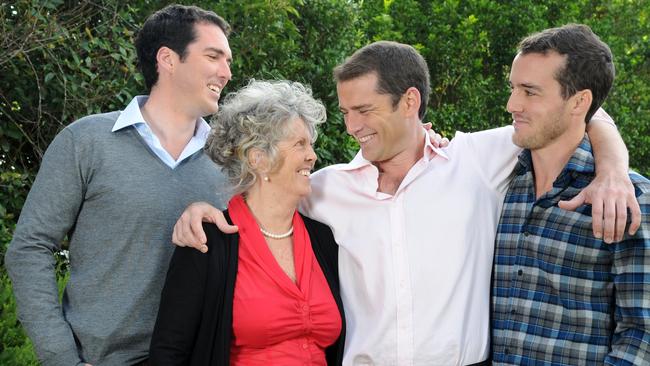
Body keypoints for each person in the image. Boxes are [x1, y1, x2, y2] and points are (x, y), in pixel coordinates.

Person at [172, 41, 639, 365]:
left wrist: (613, 169)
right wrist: (202, 210)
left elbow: (578, 112)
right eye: (345, 112)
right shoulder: (325, 189)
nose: (352, 125)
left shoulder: (476, 160)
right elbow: (260, 201)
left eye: (365, 110)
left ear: (410, 101)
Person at [4, 5, 232, 365]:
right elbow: (29, 248)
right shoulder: (86, 141)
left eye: (228, 61)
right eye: (214, 56)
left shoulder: (228, 162)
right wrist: (61, 357)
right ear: (168, 59)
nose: (226, 72)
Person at [149, 80, 345, 365]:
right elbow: (169, 352)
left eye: (310, 144)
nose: (312, 156)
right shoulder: (207, 242)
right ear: (259, 159)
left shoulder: (323, 238)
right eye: (299, 144)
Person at [491, 24, 650, 364]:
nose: (511, 104)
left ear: (579, 101)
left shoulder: (629, 197)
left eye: (530, 92)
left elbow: (642, 336)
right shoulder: (499, 180)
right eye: (513, 88)